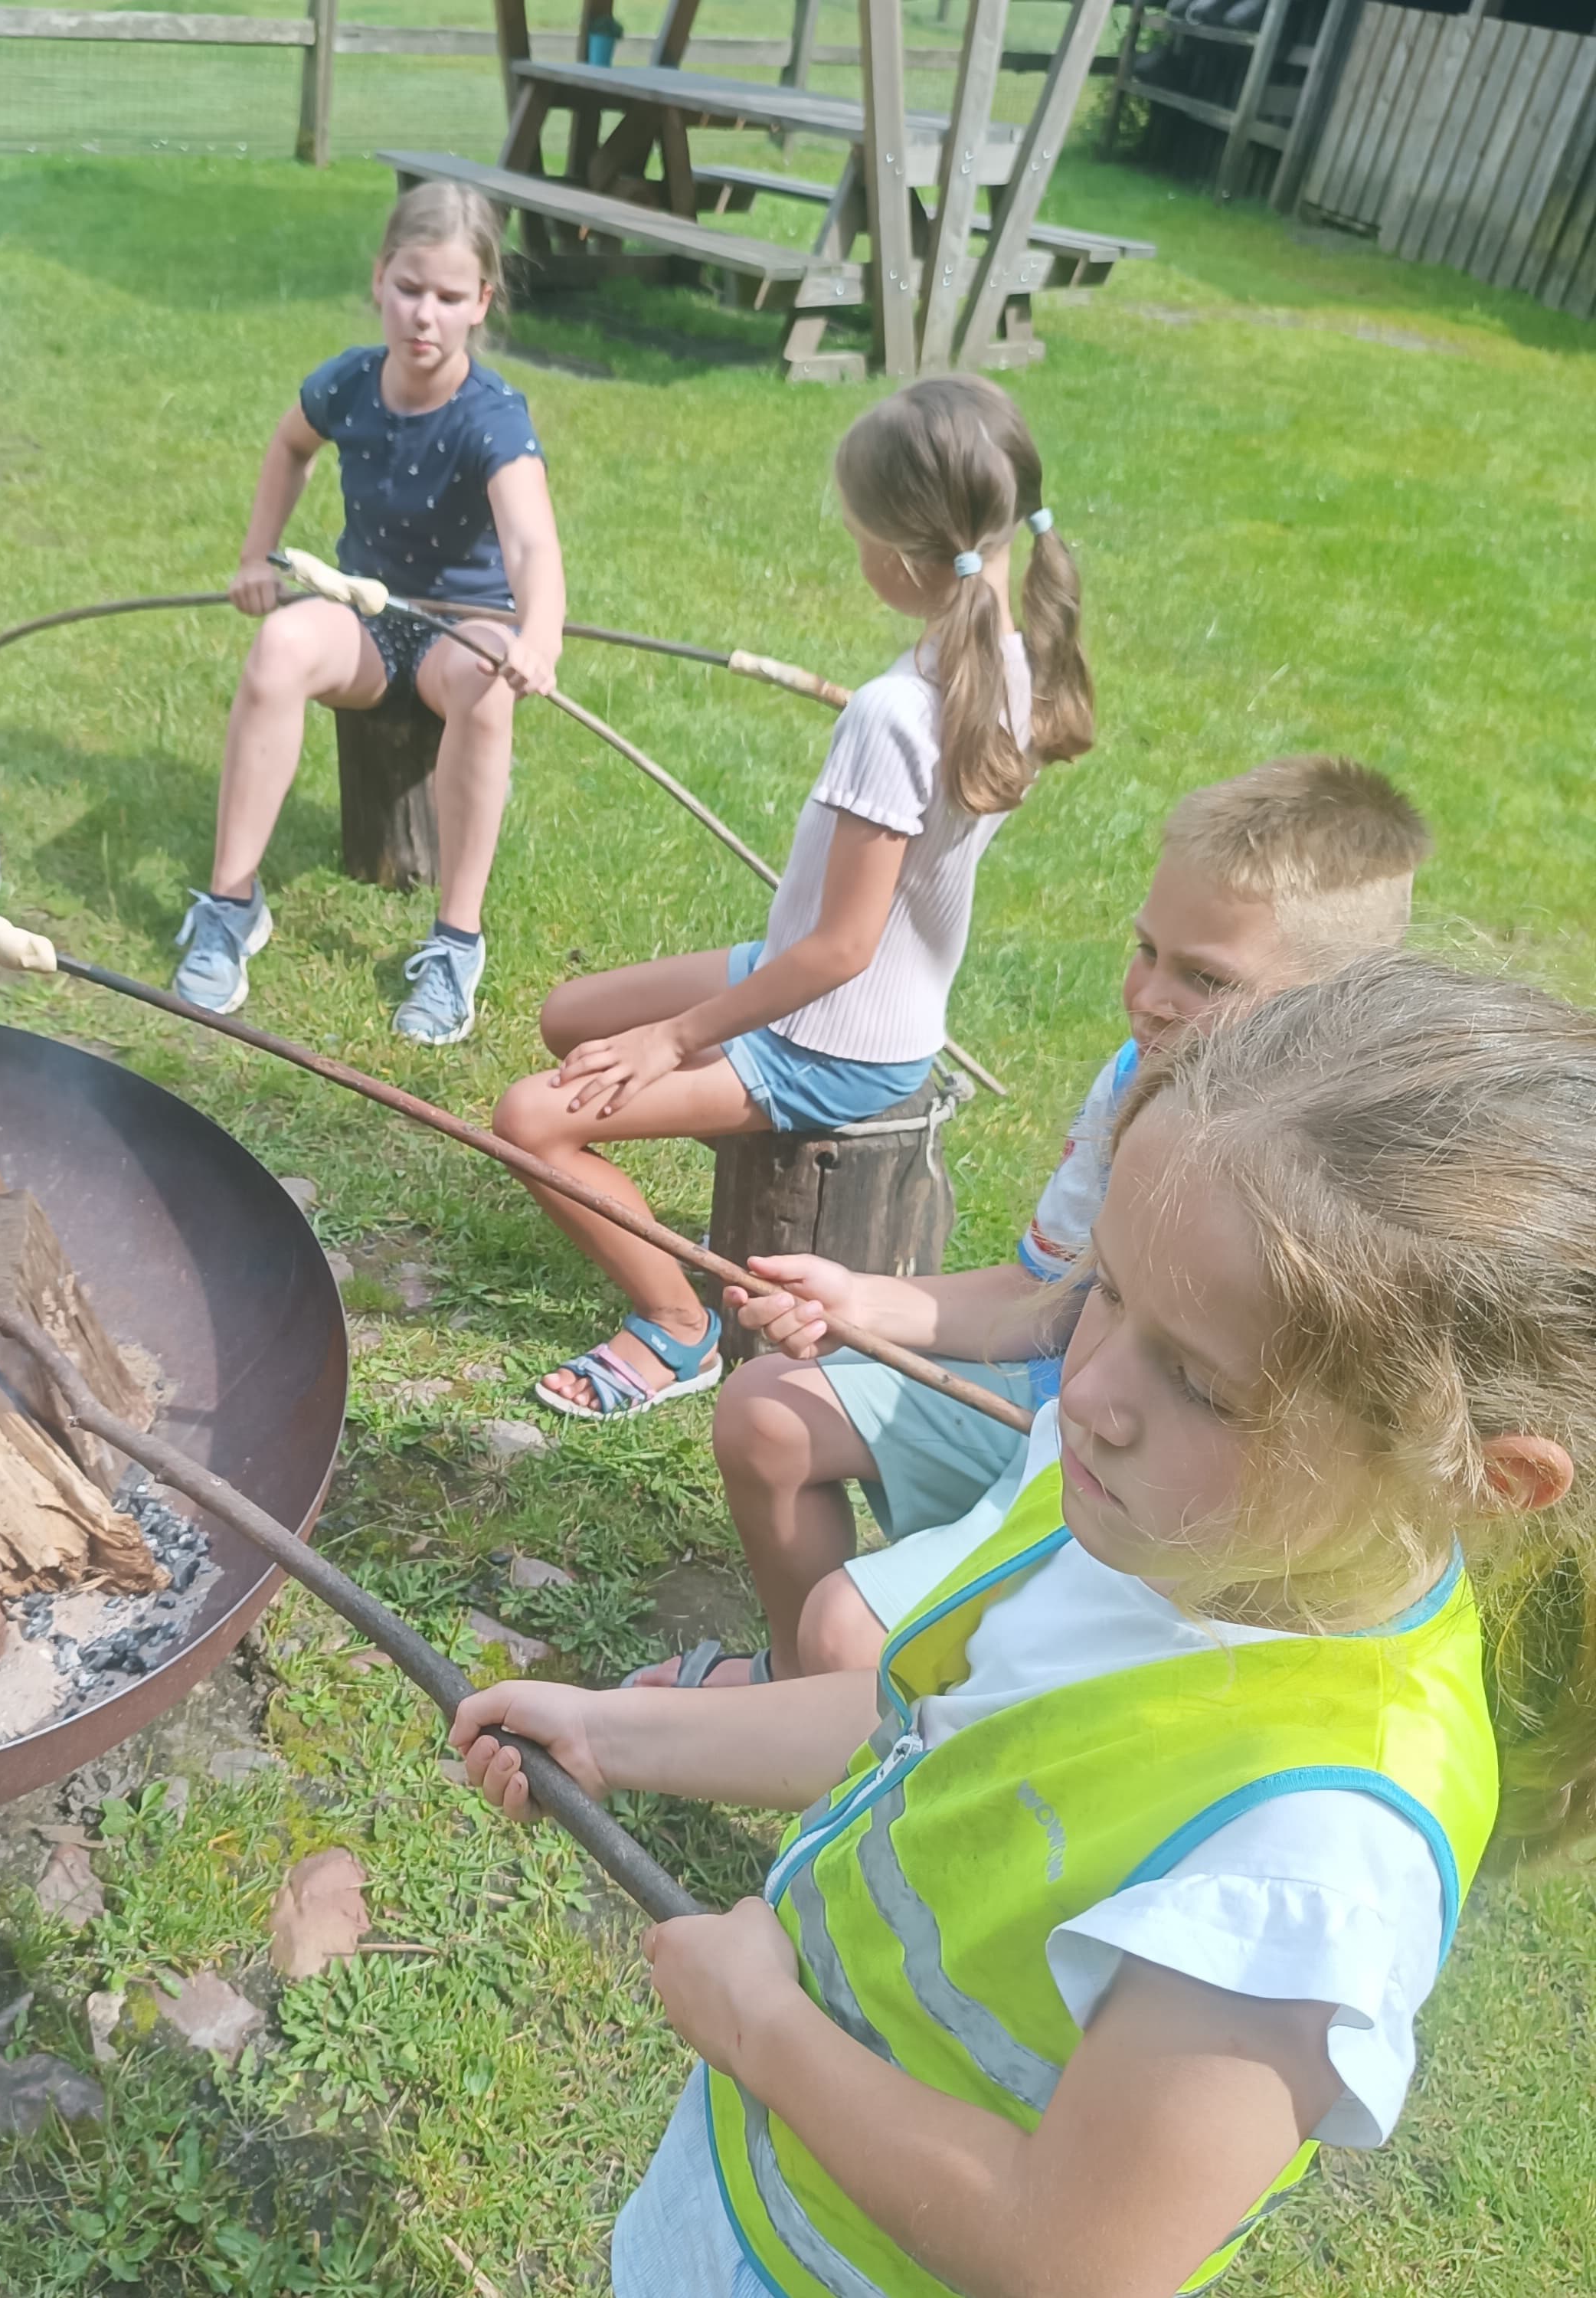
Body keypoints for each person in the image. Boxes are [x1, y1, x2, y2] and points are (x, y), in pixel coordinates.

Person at [454, 951, 1596, 2298]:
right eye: (1109, 1290)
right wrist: (620, 1734)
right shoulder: (1155, 1511)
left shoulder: (1309, 1866)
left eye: (1202, 1381)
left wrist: (767, 2030)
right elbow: (932, 1721)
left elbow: (1071, 2259)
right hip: (765, 2195)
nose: (1096, 1391)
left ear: (1484, 1476)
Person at [647, 755, 1433, 1687]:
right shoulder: (1132, 1080)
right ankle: (793, 1693)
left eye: (1205, 980)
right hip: (1055, 1397)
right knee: (764, 1413)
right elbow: (1043, 1296)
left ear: (1334, 1001)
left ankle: (869, 1743)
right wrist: (856, 1300)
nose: (1148, 996)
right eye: (1146, 951)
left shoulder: (1355, 1189)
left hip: (1166, 1484)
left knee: (851, 1635)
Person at [500, 375, 1090, 1422]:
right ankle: (693, 1135)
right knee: (569, 1017)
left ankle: (677, 1332)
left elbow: (840, 949)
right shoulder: (1015, 659)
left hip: (831, 1041)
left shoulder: (896, 713)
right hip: (826, 990)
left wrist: (676, 1041)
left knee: (530, 1121)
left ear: (900, 558)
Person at [172, 182, 564, 1046]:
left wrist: (538, 637)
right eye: (411, 288)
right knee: (278, 647)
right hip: (367, 616)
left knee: (487, 690)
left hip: (465, 627)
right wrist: (256, 555)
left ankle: (456, 942)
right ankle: (231, 901)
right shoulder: (350, 382)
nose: (426, 315)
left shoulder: (492, 417)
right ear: (381, 279)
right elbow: (289, 445)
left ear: (481, 305)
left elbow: (532, 544)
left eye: (451, 298)